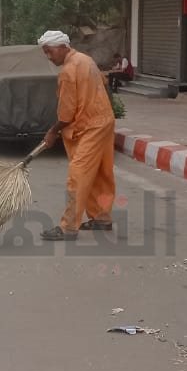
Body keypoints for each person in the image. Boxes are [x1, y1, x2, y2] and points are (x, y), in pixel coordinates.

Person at [37, 30, 117, 241]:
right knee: (100, 172)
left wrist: (52, 131)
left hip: (91, 125)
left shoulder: (68, 71)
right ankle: (102, 218)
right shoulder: (86, 60)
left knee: (78, 173)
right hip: (104, 120)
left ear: (63, 47)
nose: (48, 56)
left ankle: (68, 227)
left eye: (50, 51)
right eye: (45, 52)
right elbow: (103, 84)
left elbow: (66, 112)